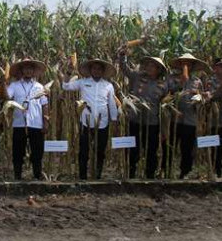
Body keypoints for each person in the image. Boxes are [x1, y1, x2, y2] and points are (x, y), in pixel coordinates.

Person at [62, 58, 119, 180]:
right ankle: (83, 177)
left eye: (99, 68)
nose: (96, 70)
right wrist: (68, 72)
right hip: (85, 122)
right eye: (94, 68)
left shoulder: (108, 86)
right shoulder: (83, 82)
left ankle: (97, 176)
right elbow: (65, 86)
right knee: (84, 151)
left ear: (103, 71)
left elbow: (112, 104)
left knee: (100, 151)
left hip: (102, 123)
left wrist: (114, 120)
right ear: (90, 70)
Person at [117, 49, 168, 178]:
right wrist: (122, 56)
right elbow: (124, 69)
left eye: (154, 66)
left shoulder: (163, 85)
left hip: (152, 123)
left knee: (151, 150)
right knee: (133, 149)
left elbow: (171, 98)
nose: (150, 68)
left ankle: (149, 175)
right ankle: (131, 173)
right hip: (134, 120)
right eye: (149, 65)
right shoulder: (137, 76)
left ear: (159, 70)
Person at [5, 59, 49, 181]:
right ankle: (17, 176)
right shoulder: (14, 85)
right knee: (18, 151)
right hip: (19, 123)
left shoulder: (39, 87)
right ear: (22, 70)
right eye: (25, 68)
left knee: (37, 151)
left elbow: (44, 104)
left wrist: (46, 122)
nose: (28, 70)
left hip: (36, 123)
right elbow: (7, 97)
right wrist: (3, 84)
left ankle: (37, 175)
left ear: (34, 71)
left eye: (30, 68)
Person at [166, 53, 209, 179]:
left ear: (192, 65)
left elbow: (202, 99)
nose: (185, 65)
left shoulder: (197, 81)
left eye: (188, 63)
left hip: (190, 120)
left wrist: (199, 96)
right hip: (174, 119)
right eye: (183, 63)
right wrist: (180, 84)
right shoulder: (171, 78)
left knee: (187, 148)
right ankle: (167, 170)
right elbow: (167, 95)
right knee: (170, 146)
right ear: (179, 65)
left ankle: (185, 172)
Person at [205, 58, 222, 178]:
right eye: (218, 66)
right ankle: (216, 172)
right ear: (214, 68)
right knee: (215, 147)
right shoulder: (210, 82)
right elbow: (209, 97)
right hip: (214, 121)